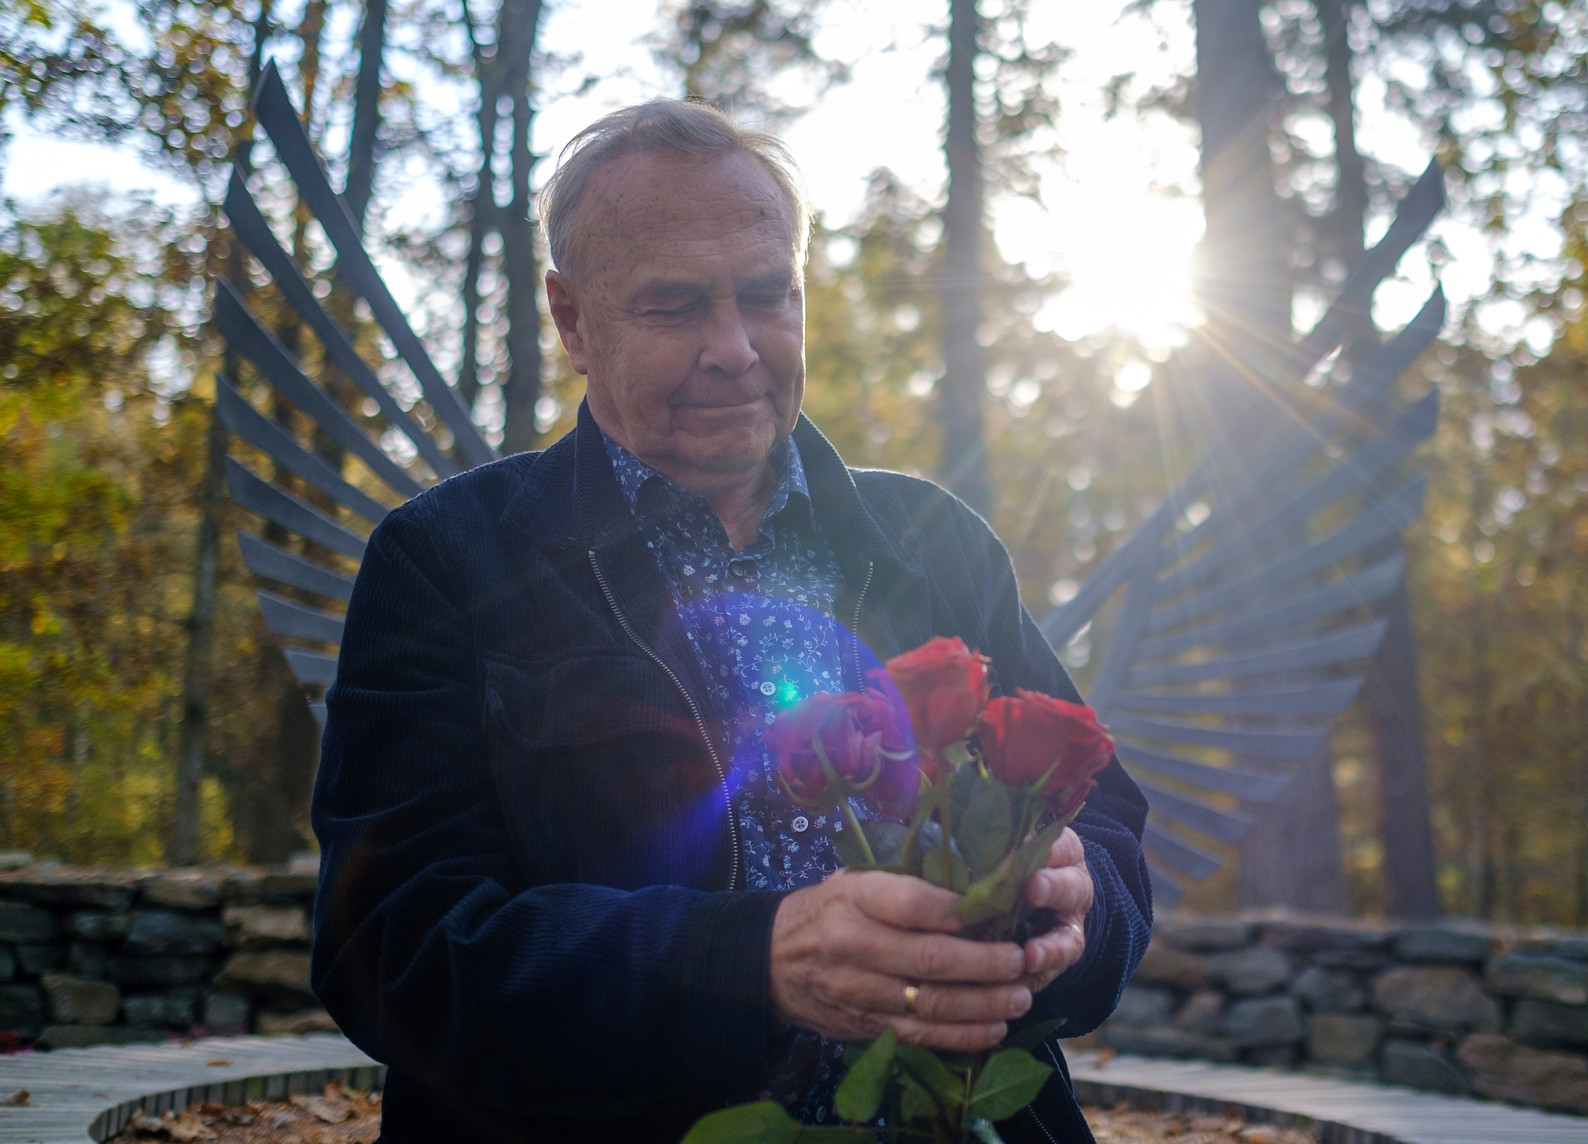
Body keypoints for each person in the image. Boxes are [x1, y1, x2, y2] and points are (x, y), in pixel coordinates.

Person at [310, 98, 1153, 1143]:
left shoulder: (939, 540)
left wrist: (1080, 905)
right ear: (571, 319)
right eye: (674, 306)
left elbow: (1112, 836)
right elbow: (389, 948)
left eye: (766, 295)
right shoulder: (446, 561)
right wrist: (755, 962)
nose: (736, 349)